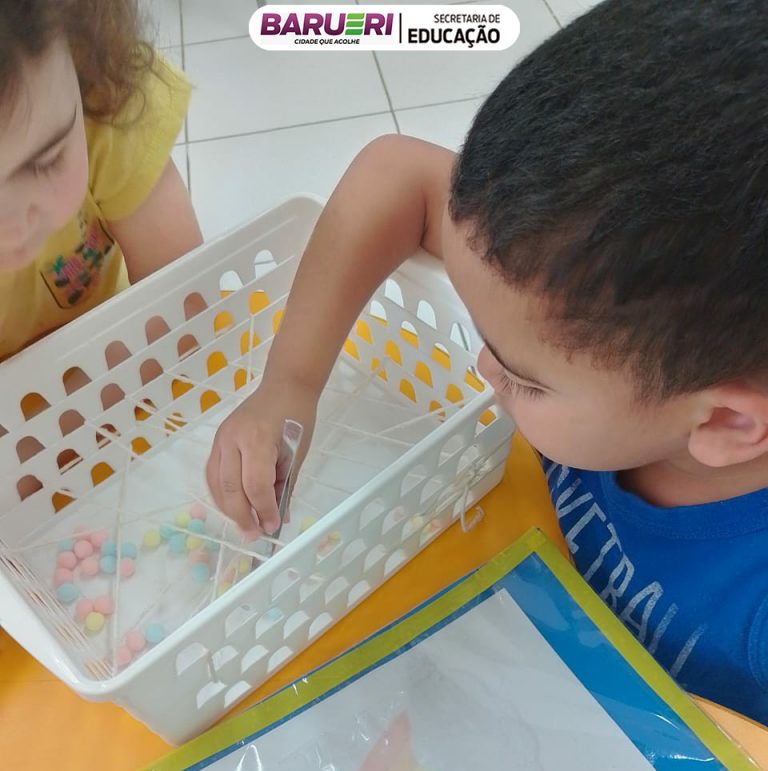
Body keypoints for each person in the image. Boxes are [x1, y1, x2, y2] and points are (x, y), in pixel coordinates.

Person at [206, 0, 768, 725]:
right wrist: (289, 383)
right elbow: (398, 172)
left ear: (726, 423)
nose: (483, 368)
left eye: (524, 381)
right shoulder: (587, 281)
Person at [0, 0, 201, 359]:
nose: (13, 232)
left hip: (128, 346)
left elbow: (184, 310)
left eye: (46, 161)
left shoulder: (108, 108)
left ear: (82, 51)